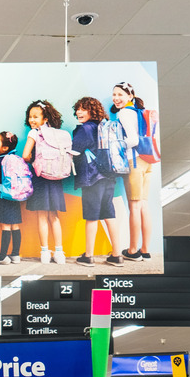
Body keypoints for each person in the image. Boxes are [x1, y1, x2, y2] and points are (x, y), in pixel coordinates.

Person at [70, 96, 125, 268]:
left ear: (91, 111)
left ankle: (89, 256)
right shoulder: (104, 127)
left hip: (92, 177)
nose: (79, 112)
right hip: (109, 176)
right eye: (78, 108)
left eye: (83, 109)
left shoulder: (84, 129)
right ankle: (117, 255)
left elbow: (74, 150)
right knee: (109, 214)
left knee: (91, 217)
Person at [21, 100, 69, 266]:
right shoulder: (56, 133)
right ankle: (59, 252)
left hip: (41, 177)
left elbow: (25, 154)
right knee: (54, 216)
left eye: (35, 116)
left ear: (45, 118)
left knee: (42, 216)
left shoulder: (34, 133)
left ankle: (44, 253)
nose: (32, 120)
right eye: (30, 117)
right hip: (56, 177)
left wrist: (33, 161)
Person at [110, 82, 154, 261]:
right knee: (143, 205)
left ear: (130, 96)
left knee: (134, 206)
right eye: (114, 94)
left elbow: (133, 139)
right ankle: (145, 250)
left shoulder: (124, 113)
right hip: (147, 160)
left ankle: (133, 250)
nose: (116, 98)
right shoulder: (139, 112)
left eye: (120, 94)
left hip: (133, 161)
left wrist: (117, 144)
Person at [0, 131, 28, 264]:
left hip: (2, 196)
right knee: (15, 225)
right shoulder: (16, 159)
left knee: (5, 225)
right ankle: (15, 255)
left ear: (4, 148)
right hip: (16, 196)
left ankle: (2, 256)